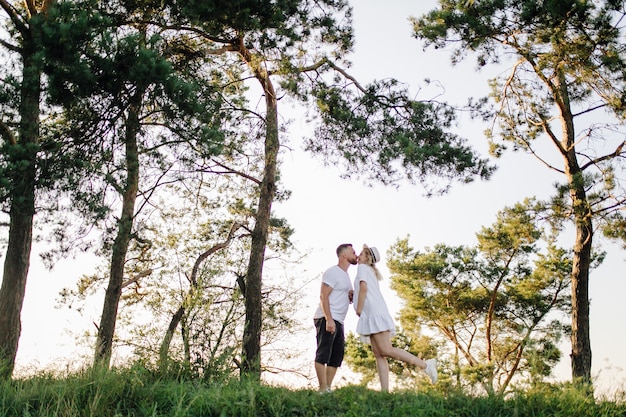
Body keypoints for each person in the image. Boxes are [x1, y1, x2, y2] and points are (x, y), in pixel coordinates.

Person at [353, 244, 437, 391]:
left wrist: (358, 309)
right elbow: (363, 290)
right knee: (379, 354)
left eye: (361, 254)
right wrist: (353, 296)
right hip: (373, 313)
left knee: (386, 350)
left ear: (367, 258)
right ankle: (385, 391)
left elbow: (364, 288)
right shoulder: (369, 270)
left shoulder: (362, 268)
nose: (358, 256)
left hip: (374, 313)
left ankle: (425, 365)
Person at [313, 243, 358, 392]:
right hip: (327, 317)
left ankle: (327, 389)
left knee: (336, 356)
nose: (355, 254)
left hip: (339, 320)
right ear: (344, 255)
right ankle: (322, 388)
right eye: (353, 252)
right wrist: (329, 319)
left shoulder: (345, 276)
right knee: (323, 354)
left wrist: (350, 297)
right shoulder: (333, 272)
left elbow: (339, 295)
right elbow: (323, 295)